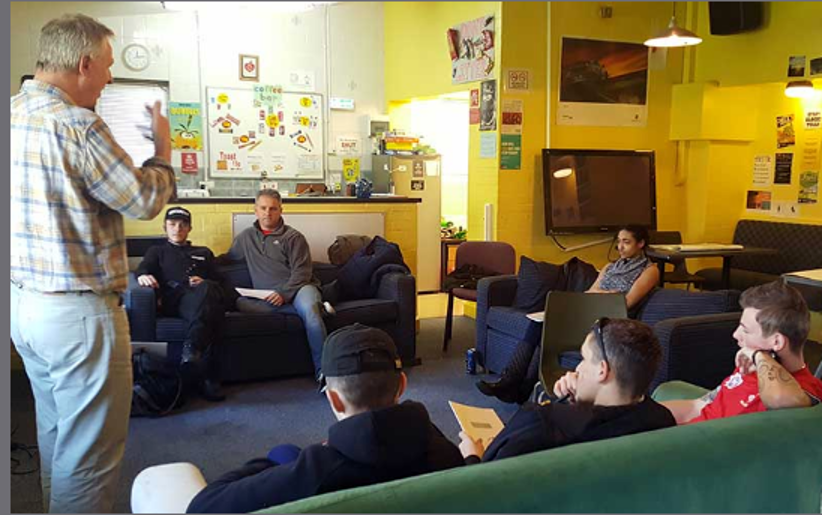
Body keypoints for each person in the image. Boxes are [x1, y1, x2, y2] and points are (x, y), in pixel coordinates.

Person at [10, 14, 176, 513]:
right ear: (83, 64)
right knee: (89, 460)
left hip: (25, 308)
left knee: (58, 434)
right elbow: (144, 199)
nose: (109, 76)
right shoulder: (78, 125)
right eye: (106, 64)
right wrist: (163, 146)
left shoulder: (13, 113)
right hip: (78, 316)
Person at [181, 324, 464, 513]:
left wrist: (273, 466)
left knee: (282, 453)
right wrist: (472, 458)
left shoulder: (311, 472)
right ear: (402, 385)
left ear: (333, 399)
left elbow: (202, 506)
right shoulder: (445, 453)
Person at [477, 225, 660, 404]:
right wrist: (609, 294)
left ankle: (515, 385)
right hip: (588, 311)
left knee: (546, 327)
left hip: (611, 322)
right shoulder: (610, 267)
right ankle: (512, 381)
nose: (620, 247)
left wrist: (602, 295)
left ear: (641, 243)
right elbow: (589, 292)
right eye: (618, 242)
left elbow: (627, 302)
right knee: (540, 324)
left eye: (626, 242)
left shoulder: (649, 270)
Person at [460, 319, 675, 463]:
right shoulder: (662, 421)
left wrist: (472, 456)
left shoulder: (540, 422)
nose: (577, 368)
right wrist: (576, 403)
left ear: (602, 371)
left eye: (584, 358)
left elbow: (482, 488)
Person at [662, 281, 822, 424]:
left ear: (777, 342)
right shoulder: (750, 368)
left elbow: (779, 399)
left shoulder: (806, 390)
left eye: (746, 330)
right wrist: (651, 414)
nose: (735, 335)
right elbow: (699, 406)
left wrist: (759, 356)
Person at [221, 189, 330, 380]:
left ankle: (324, 372)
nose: (267, 213)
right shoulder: (246, 237)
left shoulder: (293, 237)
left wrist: (283, 294)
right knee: (241, 303)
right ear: (255, 210)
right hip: (267, 296)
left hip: (300, 288)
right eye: (263, 208)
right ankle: (318, 308)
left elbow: (303, 272)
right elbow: (227, 259)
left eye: (273, 208)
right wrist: (199, 262)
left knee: (310, 313)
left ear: (281, 210)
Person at [135, 207, 229, 402]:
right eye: (172, 224)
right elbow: (143, 269)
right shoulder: (157, 251)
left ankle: (192, 354)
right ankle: (208, 377)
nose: (177, 228)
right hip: (175, 300)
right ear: (165, 227)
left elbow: (221, 282)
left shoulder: (203, 252)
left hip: (201, 298)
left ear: (189, 228)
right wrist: (142, 275)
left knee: (209, 294)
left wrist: (204, 282)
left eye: (182, 225)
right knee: (212, 310)